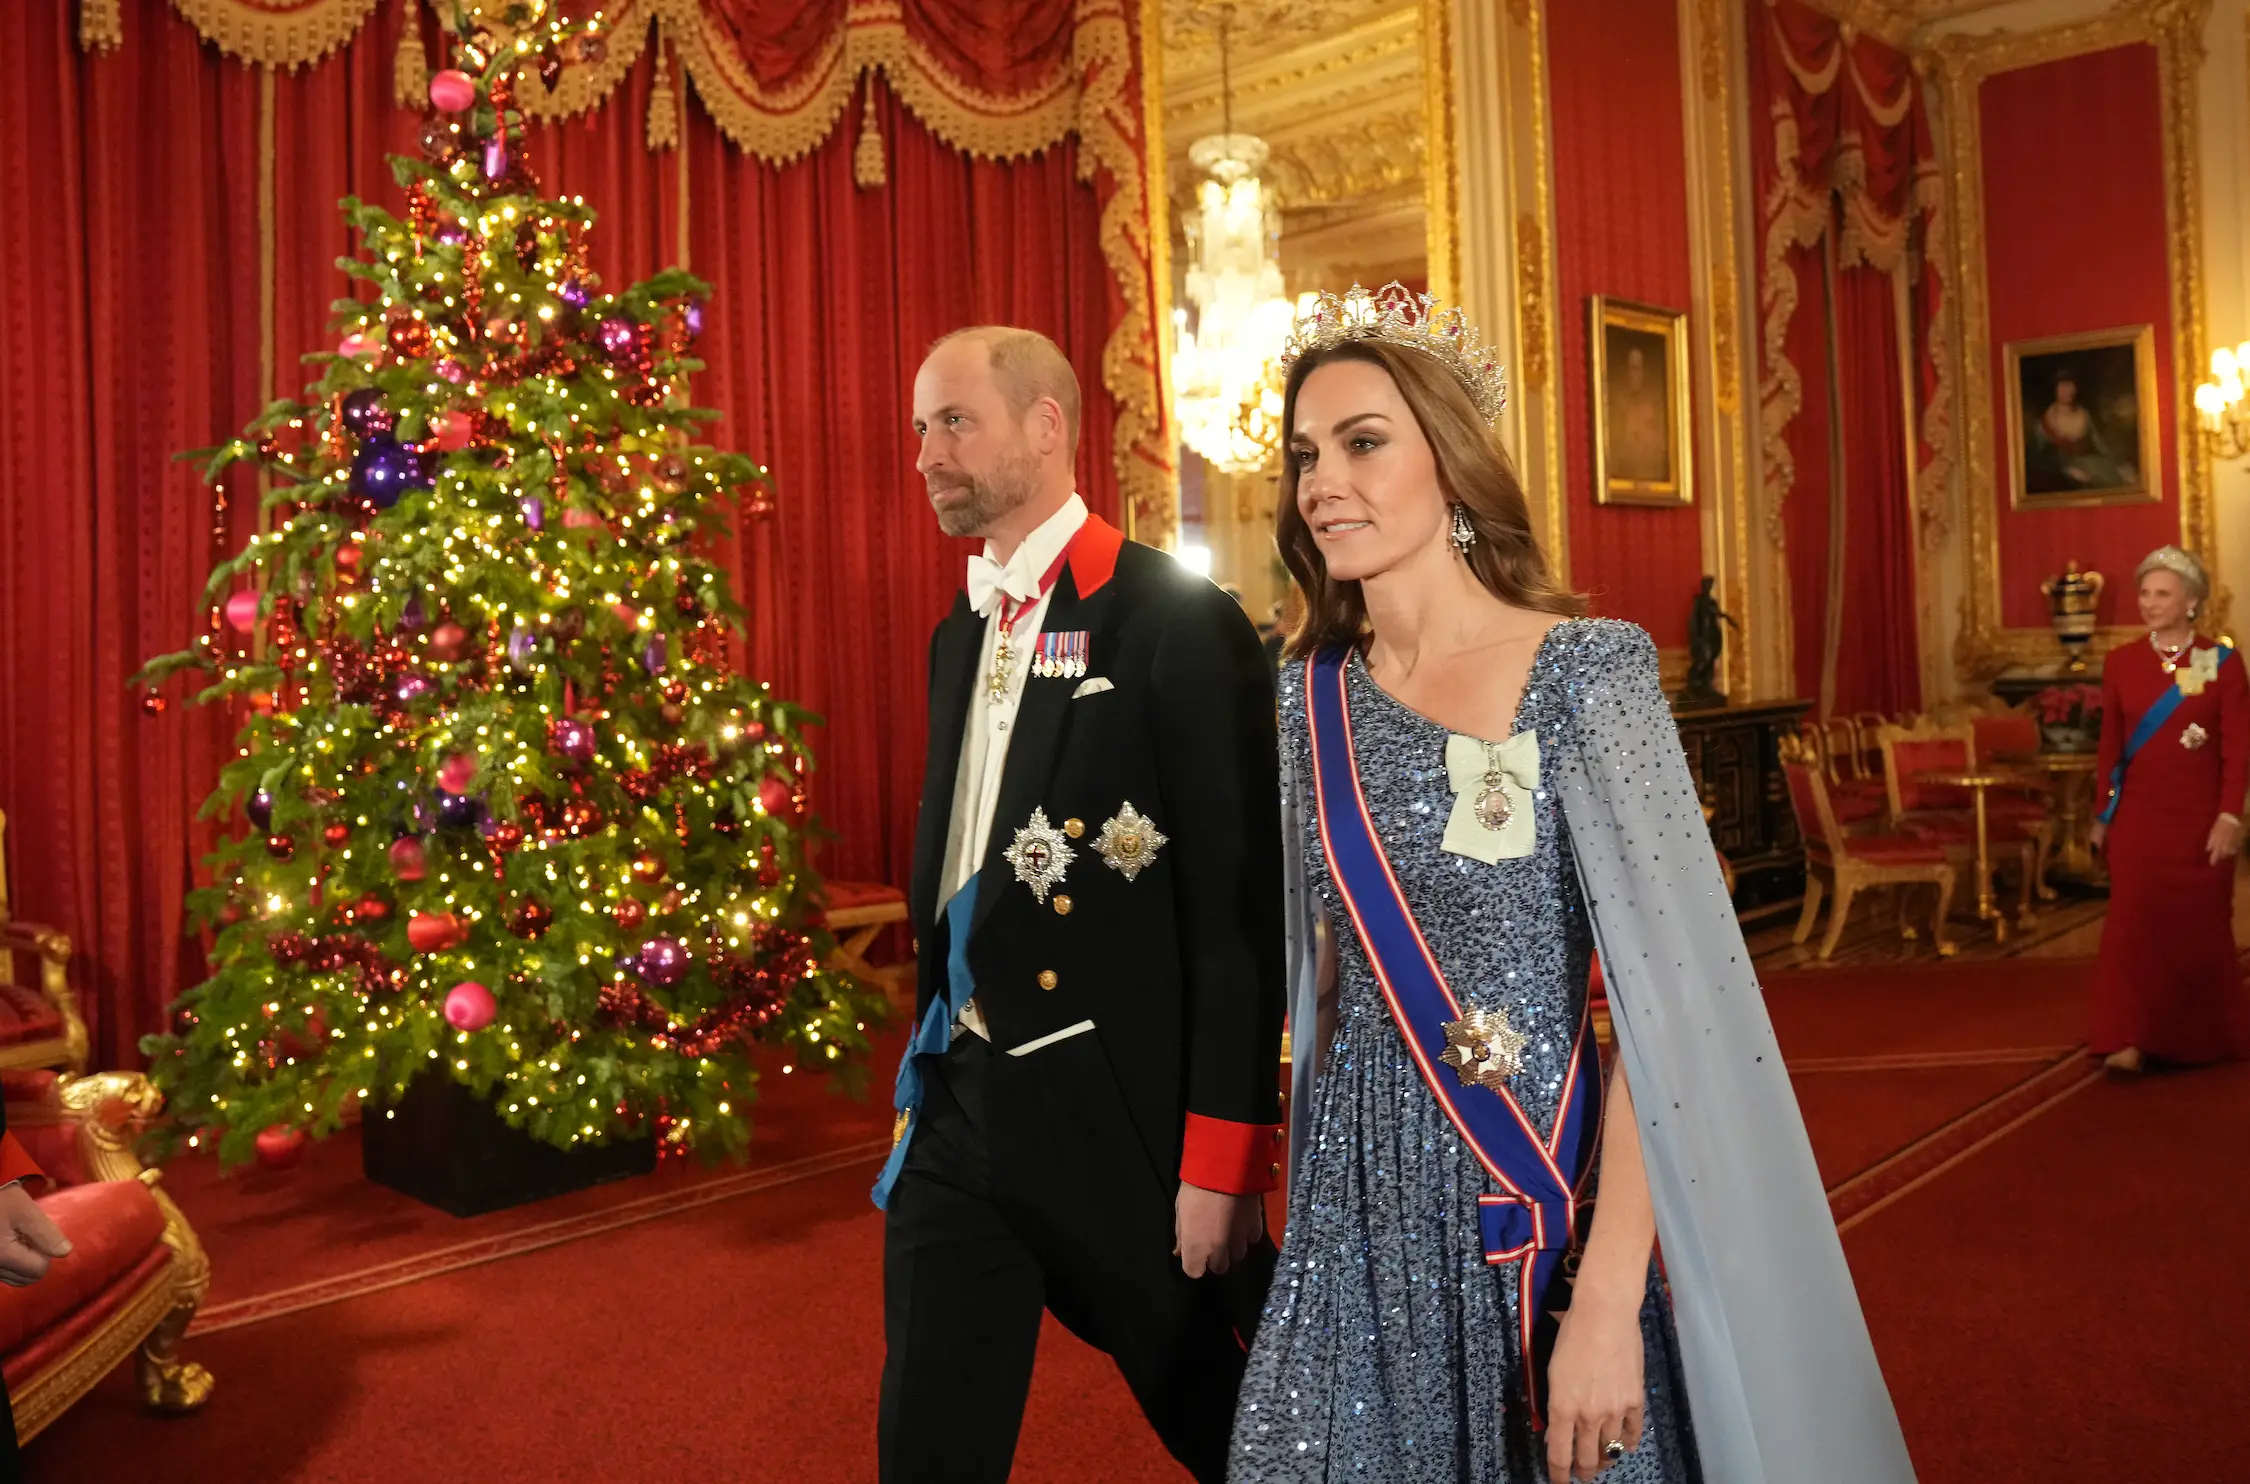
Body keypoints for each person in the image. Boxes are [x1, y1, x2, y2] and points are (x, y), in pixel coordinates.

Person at [1232, 284, 1912, 1484]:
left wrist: (1603, 1298)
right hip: (1355, 1217)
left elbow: (1672, 1016)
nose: (1322, 481)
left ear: (1452, 465)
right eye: (1304, 455)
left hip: (1535, 1190)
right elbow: (1321, 983)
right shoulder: (1305, 699)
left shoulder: (1587, 672)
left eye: (1363, 442)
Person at [876, 326, 1285, 1484]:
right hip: (961, 1095)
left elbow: (1234, 915)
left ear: (1046, 425)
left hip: (1114, 1108)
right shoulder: (958, 635)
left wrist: (1224, 1159)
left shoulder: (1172, 620)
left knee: (1233, 1424)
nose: (927, 453)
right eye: (921, 427)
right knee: (927, 1438)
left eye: (955, 422)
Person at [2087, 546, 2250, 1073]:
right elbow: (2110, 748)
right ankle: (2126, 1038)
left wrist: (2230, 815)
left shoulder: (2219, 663)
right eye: (2145, 593)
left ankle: (2195, 1038)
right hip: (2138, 819)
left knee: (2196, 926)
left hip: (2200, 820)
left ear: (2190, 602)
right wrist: (2102, 815)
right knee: (2130, 924)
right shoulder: (2122, 662)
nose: (2149, 603)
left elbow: (2238, 749)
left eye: (2162, 594)